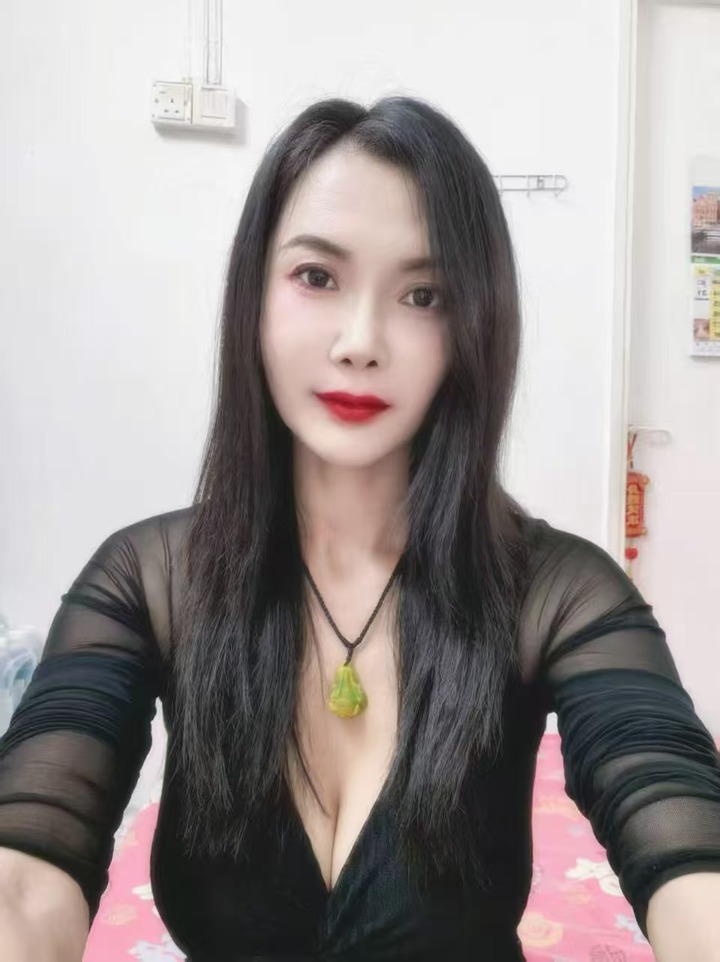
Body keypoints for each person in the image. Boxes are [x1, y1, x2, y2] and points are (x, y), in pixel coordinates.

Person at [0, 96, 719, 962]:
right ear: (254, 296)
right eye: (316, 277)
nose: (361, 341)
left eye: (423, 295)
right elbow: (28, 871)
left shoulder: (557, 593)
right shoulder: (150, 579)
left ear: (473, 327)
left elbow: (675, 817)